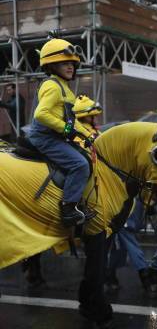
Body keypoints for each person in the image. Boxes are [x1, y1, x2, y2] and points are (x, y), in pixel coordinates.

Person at [27, 38, 97, 226]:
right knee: (80, 164)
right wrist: (66, 129)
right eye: (64, 63)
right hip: (45, 137)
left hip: (55, 137)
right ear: (52, 65)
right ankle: (68, 208)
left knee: (86, 158)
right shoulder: (52, 85)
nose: (70, 67)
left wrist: (90, 136)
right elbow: (41, 114)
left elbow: (72, 121)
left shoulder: (65, 88)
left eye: (72, 64)